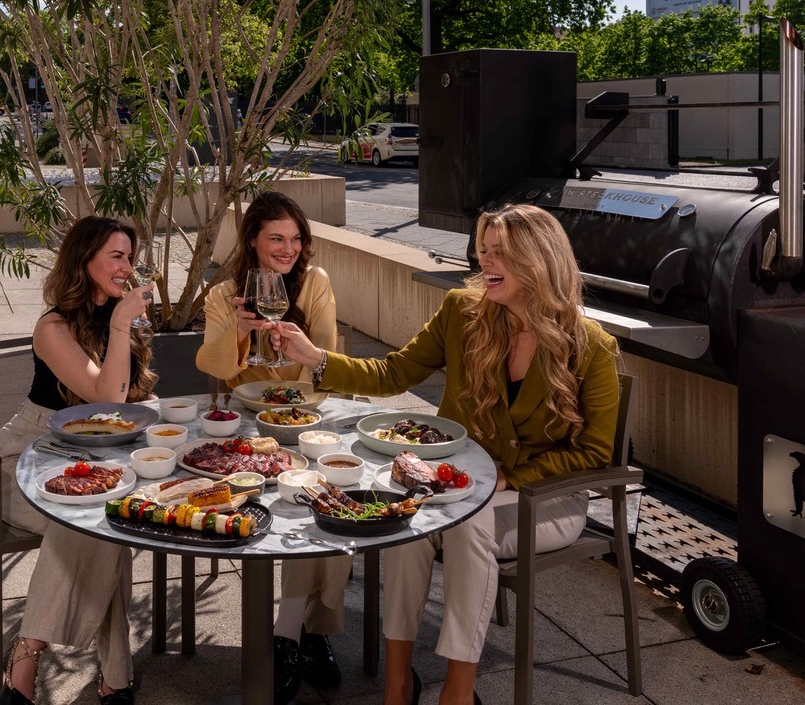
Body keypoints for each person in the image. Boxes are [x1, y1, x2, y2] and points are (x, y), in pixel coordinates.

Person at [269, 203, 620, 705]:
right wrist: (316, 358)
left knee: (468, 523)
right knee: (405, 518)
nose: (485, 262)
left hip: (543, 499)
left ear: (538, 260)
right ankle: (397, 684)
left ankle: (458, 690)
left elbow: (595, 452)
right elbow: (394, 373)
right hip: (460, 489)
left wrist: (509, 478)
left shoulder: (590, 345)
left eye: (500, 253)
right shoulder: (463, 312)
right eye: (483, 250)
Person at [0, 215, 157, 705]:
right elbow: (107, 399)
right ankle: (113, 677)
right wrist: (123, 323)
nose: (127, 267)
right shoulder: (52, 327)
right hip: (24, 462)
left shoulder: (116, 320)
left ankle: (28, 652)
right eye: (116, 256)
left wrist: (123, 327)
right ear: (84, 262)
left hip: (88, 464)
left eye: (130, 257)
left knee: (99, 523)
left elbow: (126, 402)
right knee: (99, 526)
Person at [195, 191, 350, 702]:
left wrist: (301, 360)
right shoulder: (225, 295)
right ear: (253, 242)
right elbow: (213, 365)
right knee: (291, 503)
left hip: (307, 415)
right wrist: (240, 335)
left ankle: (301, 633)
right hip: (247, 422)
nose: (288, 248)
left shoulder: (316, 282)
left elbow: (327, 359)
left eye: (295, 238)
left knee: (329, 500)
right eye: (276, 238)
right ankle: (300, 634)